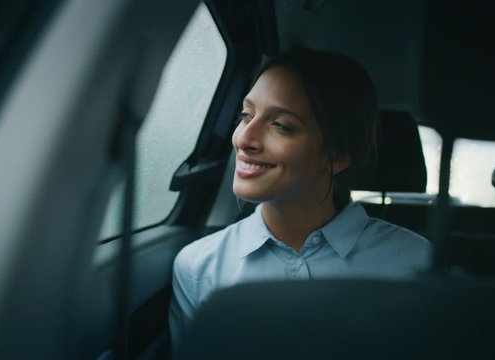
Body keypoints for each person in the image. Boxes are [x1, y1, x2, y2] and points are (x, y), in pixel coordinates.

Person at [168, 47, 431, 348]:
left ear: (338, 156)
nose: (243, 138)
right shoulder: (198, 266)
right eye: (246, 115)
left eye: (280, 125)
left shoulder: (416, 263)